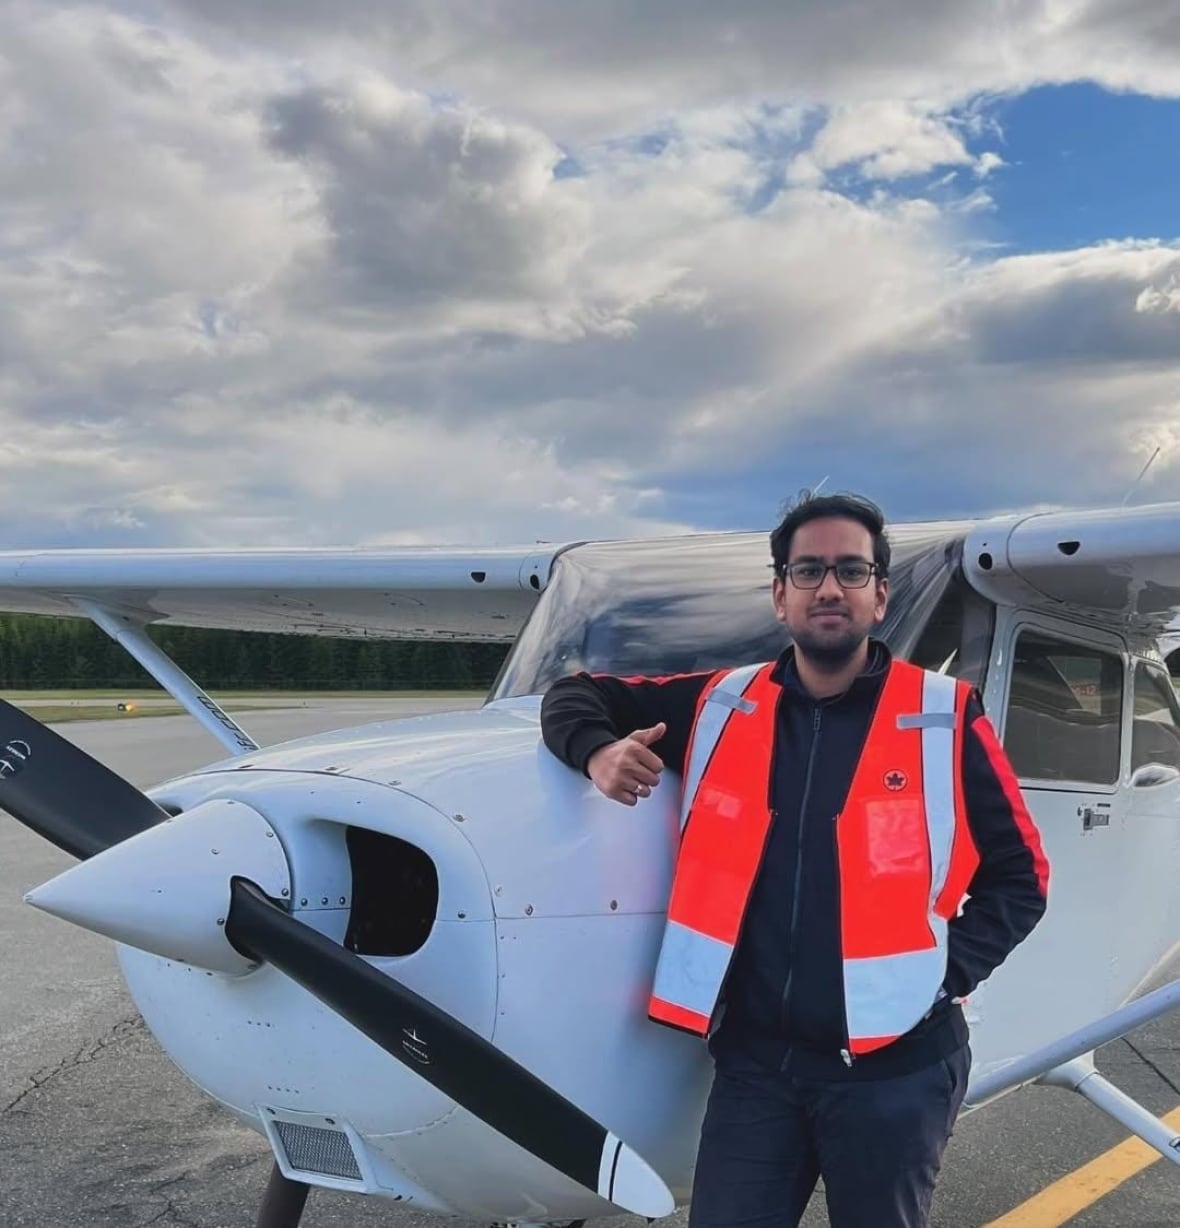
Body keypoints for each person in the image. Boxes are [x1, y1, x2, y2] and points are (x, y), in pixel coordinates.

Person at [540, 491, 1050, 1228]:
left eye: (851, 570)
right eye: (808, 571)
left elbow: (1023, 877)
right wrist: (596, 754)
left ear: (881, 595)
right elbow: (575, 693)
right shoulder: (721, 704)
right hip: (757, 1070)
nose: (829, 588)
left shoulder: (944, 716)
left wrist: (939, 978)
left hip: (895, 1070)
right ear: (780, 595)